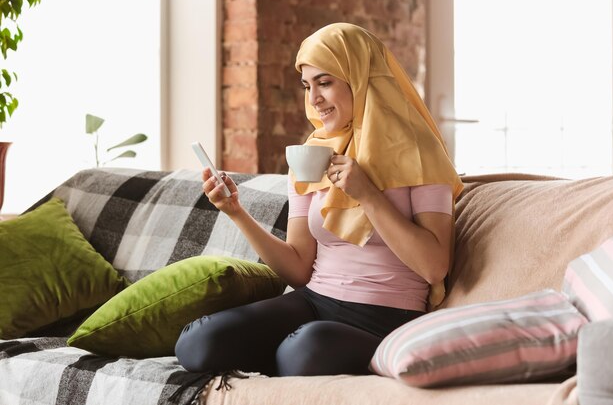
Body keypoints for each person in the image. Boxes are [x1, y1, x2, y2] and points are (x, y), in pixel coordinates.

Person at [175, 22, 464, 377]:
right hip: (314, 301)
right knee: (199, 341)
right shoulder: (312, 154)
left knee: (302, 350)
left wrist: (368, 195)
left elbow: (434, 266)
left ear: (360, 78)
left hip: (386, 317)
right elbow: (298, 268)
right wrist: (236, 212)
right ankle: (287, 358)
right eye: (307, 86)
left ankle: (291, 358)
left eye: (325, 82)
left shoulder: (420, 151)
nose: (313, 99)